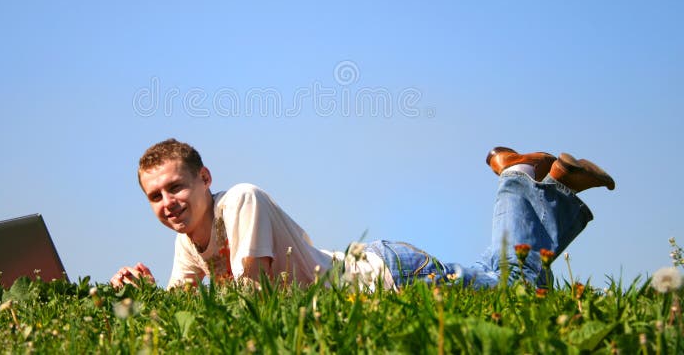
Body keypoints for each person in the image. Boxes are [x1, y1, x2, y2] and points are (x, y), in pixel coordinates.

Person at [111, 139, 615, 290]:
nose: (167, 203)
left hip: (388, 279)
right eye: (154, 197)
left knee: (517, 287)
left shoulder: (240, 200)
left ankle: (518, 182)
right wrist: (139, 296)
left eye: (175, 187)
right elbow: (183, 317)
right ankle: (537, 181)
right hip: (381, 275)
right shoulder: (186, 242)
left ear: (204, 178)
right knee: (497, 275)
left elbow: (254, 300)